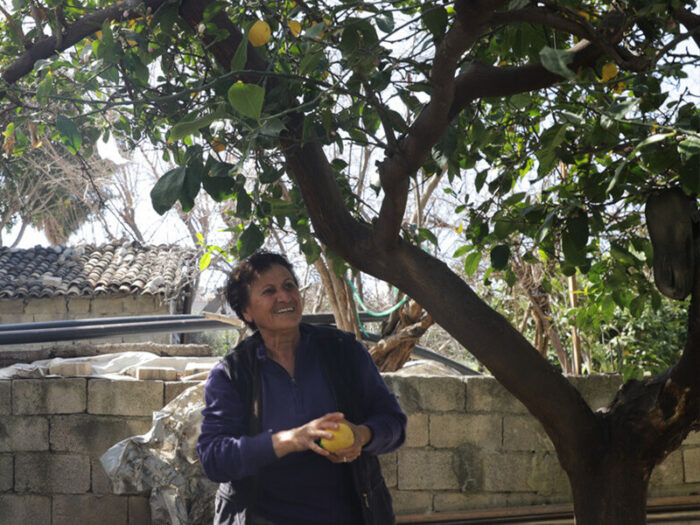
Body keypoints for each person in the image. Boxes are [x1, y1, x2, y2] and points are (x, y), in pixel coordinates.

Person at [197, 251, 407, 525]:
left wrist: (362, 435)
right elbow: (214, 457)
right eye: (269, 291)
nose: (284, 297)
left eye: (289, 286)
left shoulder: (344, 353)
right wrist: (291, 440)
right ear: (246, 311)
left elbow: (394, 423)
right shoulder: (232, 375)